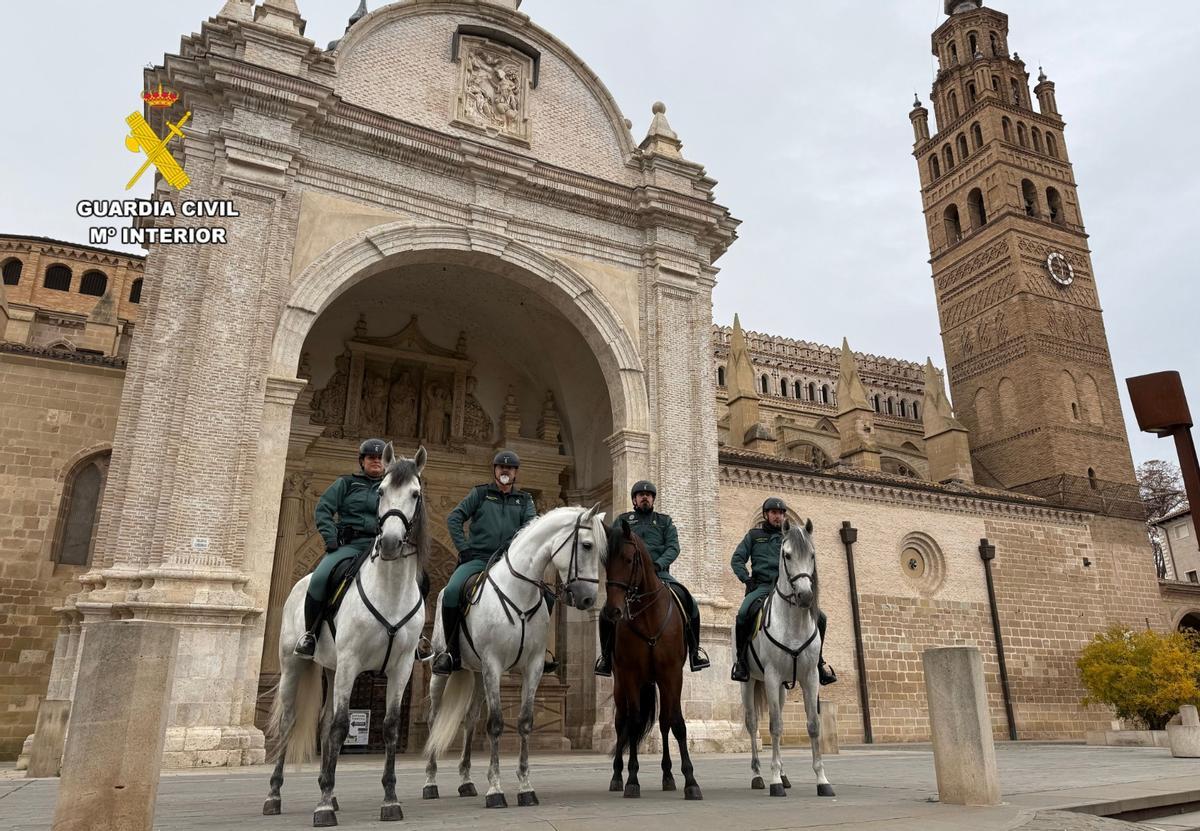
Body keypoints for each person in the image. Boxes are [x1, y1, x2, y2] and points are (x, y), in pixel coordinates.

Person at [432, 449, 556, 676]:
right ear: (495, 470)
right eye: (501, 467)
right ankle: (451, 652)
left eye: (510, 468)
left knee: (546, 595)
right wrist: (464, 549)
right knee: (451, 592)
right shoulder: (480, 494)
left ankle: (538, 648)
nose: (505, 471)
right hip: (478, 559)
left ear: (516, 473)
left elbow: (531, 529)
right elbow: (454, 518)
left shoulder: (525, 500)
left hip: (509, 563)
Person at [595, 481, 710, 675]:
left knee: (690, 603)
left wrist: (658, 564)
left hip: (660, 573)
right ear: (634, 500)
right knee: (606, 612)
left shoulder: (664, 521)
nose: (645, 497)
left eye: (648, 495)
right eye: (640, 495)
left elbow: (673, 547)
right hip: (630, 578)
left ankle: (695, 651)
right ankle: (606, 657)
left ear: (653, 499)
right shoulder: (623, 521)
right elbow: (612, 547)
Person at [294, 438, 387, 658]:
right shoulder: (346, 483)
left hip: (381, 547)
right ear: (362, 461)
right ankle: (310, 634)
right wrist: (331, 538)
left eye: (380, 458)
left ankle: (417, 637)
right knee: (319, 579)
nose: (376, 461)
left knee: (418, 579)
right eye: (371, 457)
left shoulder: (392, 485)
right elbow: (324, 509)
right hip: (351, 545)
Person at [729, 497, 837, 685]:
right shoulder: (754, 536)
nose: (778, 516)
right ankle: (741, 662)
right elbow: (737, 559)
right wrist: (746, 579)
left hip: (788, 588)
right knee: (743, 614)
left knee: (821, 618)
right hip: (762, 587)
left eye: (780, 513)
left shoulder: (790, 538)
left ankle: (818, 662)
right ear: (766, 515)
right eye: (773, 513)